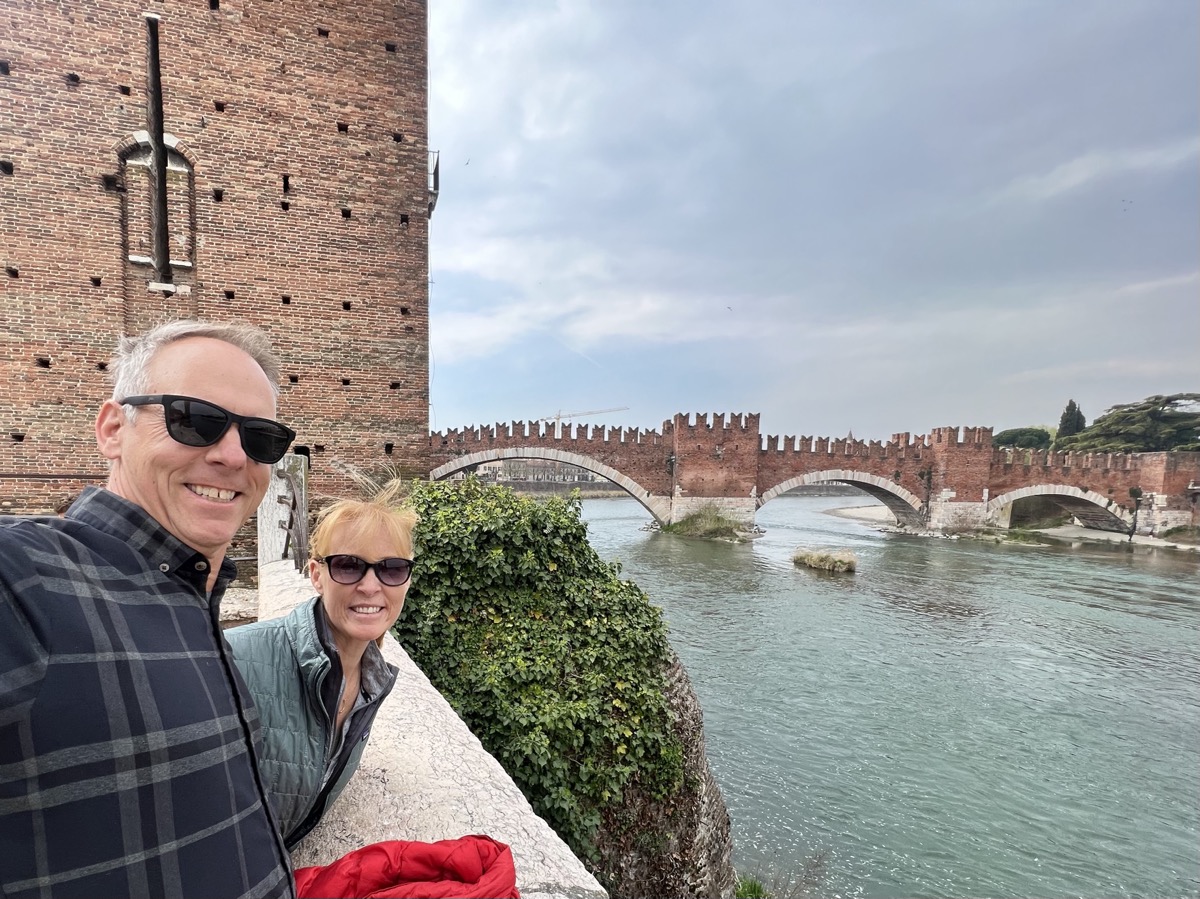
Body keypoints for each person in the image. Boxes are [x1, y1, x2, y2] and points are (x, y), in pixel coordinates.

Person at [0, 320, 297, 899]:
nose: (234, 455)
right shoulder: (24, 575)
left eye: (261, 437)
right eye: (193, 419)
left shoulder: (195, 599)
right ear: (113, 429)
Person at [226, 481, 416, 849]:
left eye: (392, 569)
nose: (371, 586)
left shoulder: (371, 681)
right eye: (348, 566)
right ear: (316, 575)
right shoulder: (234, 657)